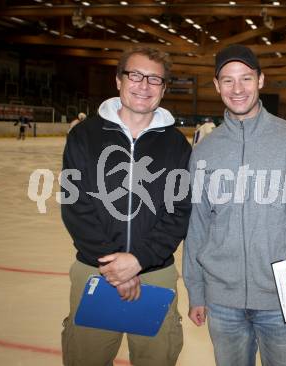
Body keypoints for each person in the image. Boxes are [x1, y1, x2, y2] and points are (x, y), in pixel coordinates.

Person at [183, 44, 286, 366]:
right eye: (227, 80)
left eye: (246, 79)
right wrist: (196, 291)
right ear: (216, 86)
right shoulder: (205, 151)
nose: (237, 89)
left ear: (261, 81)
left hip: (283, 303)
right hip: (222, 303)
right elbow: (197, 227)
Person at [61, 46, 192, 366]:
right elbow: (75, 205)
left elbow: (179, 212)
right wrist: (115, 265)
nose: (143, 85)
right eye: (135, 75)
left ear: (163, 88)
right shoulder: (84, 135)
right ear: (118, 80)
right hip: (96, 271)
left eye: (154, 79)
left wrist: (138, 260)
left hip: (156, 276)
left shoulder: (176, 144)